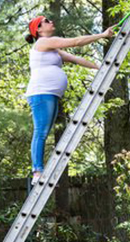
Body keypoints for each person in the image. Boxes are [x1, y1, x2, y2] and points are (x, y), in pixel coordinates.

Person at [25, 15, 115, 184]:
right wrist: (102, 35)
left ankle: (38, 170)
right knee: (41, 132)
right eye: (46, 21)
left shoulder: (53, 50)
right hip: (41, 93)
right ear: (38, 30)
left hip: (50, 94)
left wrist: (100, 67)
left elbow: (75, 59)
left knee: (43, 132)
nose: (51, 21)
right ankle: (37, 171)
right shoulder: (42, 43)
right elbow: (76, 41)